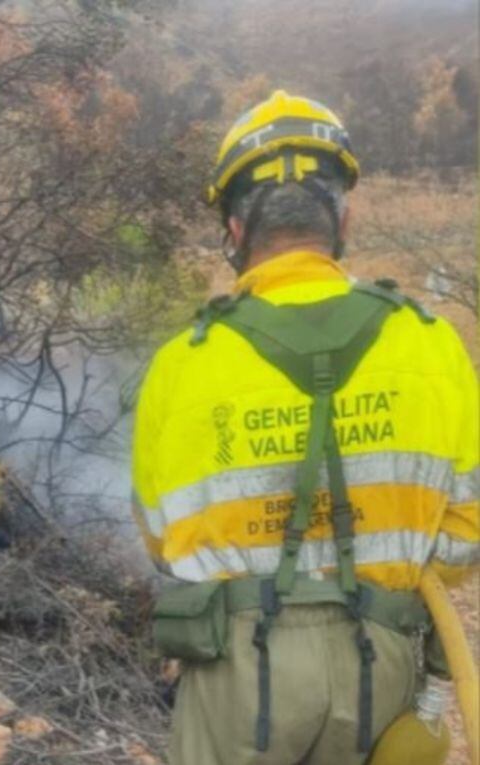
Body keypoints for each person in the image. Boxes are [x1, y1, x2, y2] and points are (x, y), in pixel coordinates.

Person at [131, 90, 479, 765]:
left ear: (234, 231)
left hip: (236, 673)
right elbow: (465, 537)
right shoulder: (431, 342)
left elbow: (161, 540)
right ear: (343, 215)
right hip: (384, 663)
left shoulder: (181, 363)